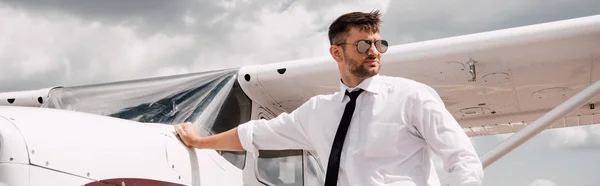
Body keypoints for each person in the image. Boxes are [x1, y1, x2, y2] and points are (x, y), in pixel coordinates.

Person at [175, 10, 484, 186]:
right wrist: (200, 142)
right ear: (337, 52)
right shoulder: (317, 112)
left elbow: (462, 159)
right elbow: (255, 134)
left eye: (379, 44)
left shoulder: (412, 96)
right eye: (363, 45)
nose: (374, 52)